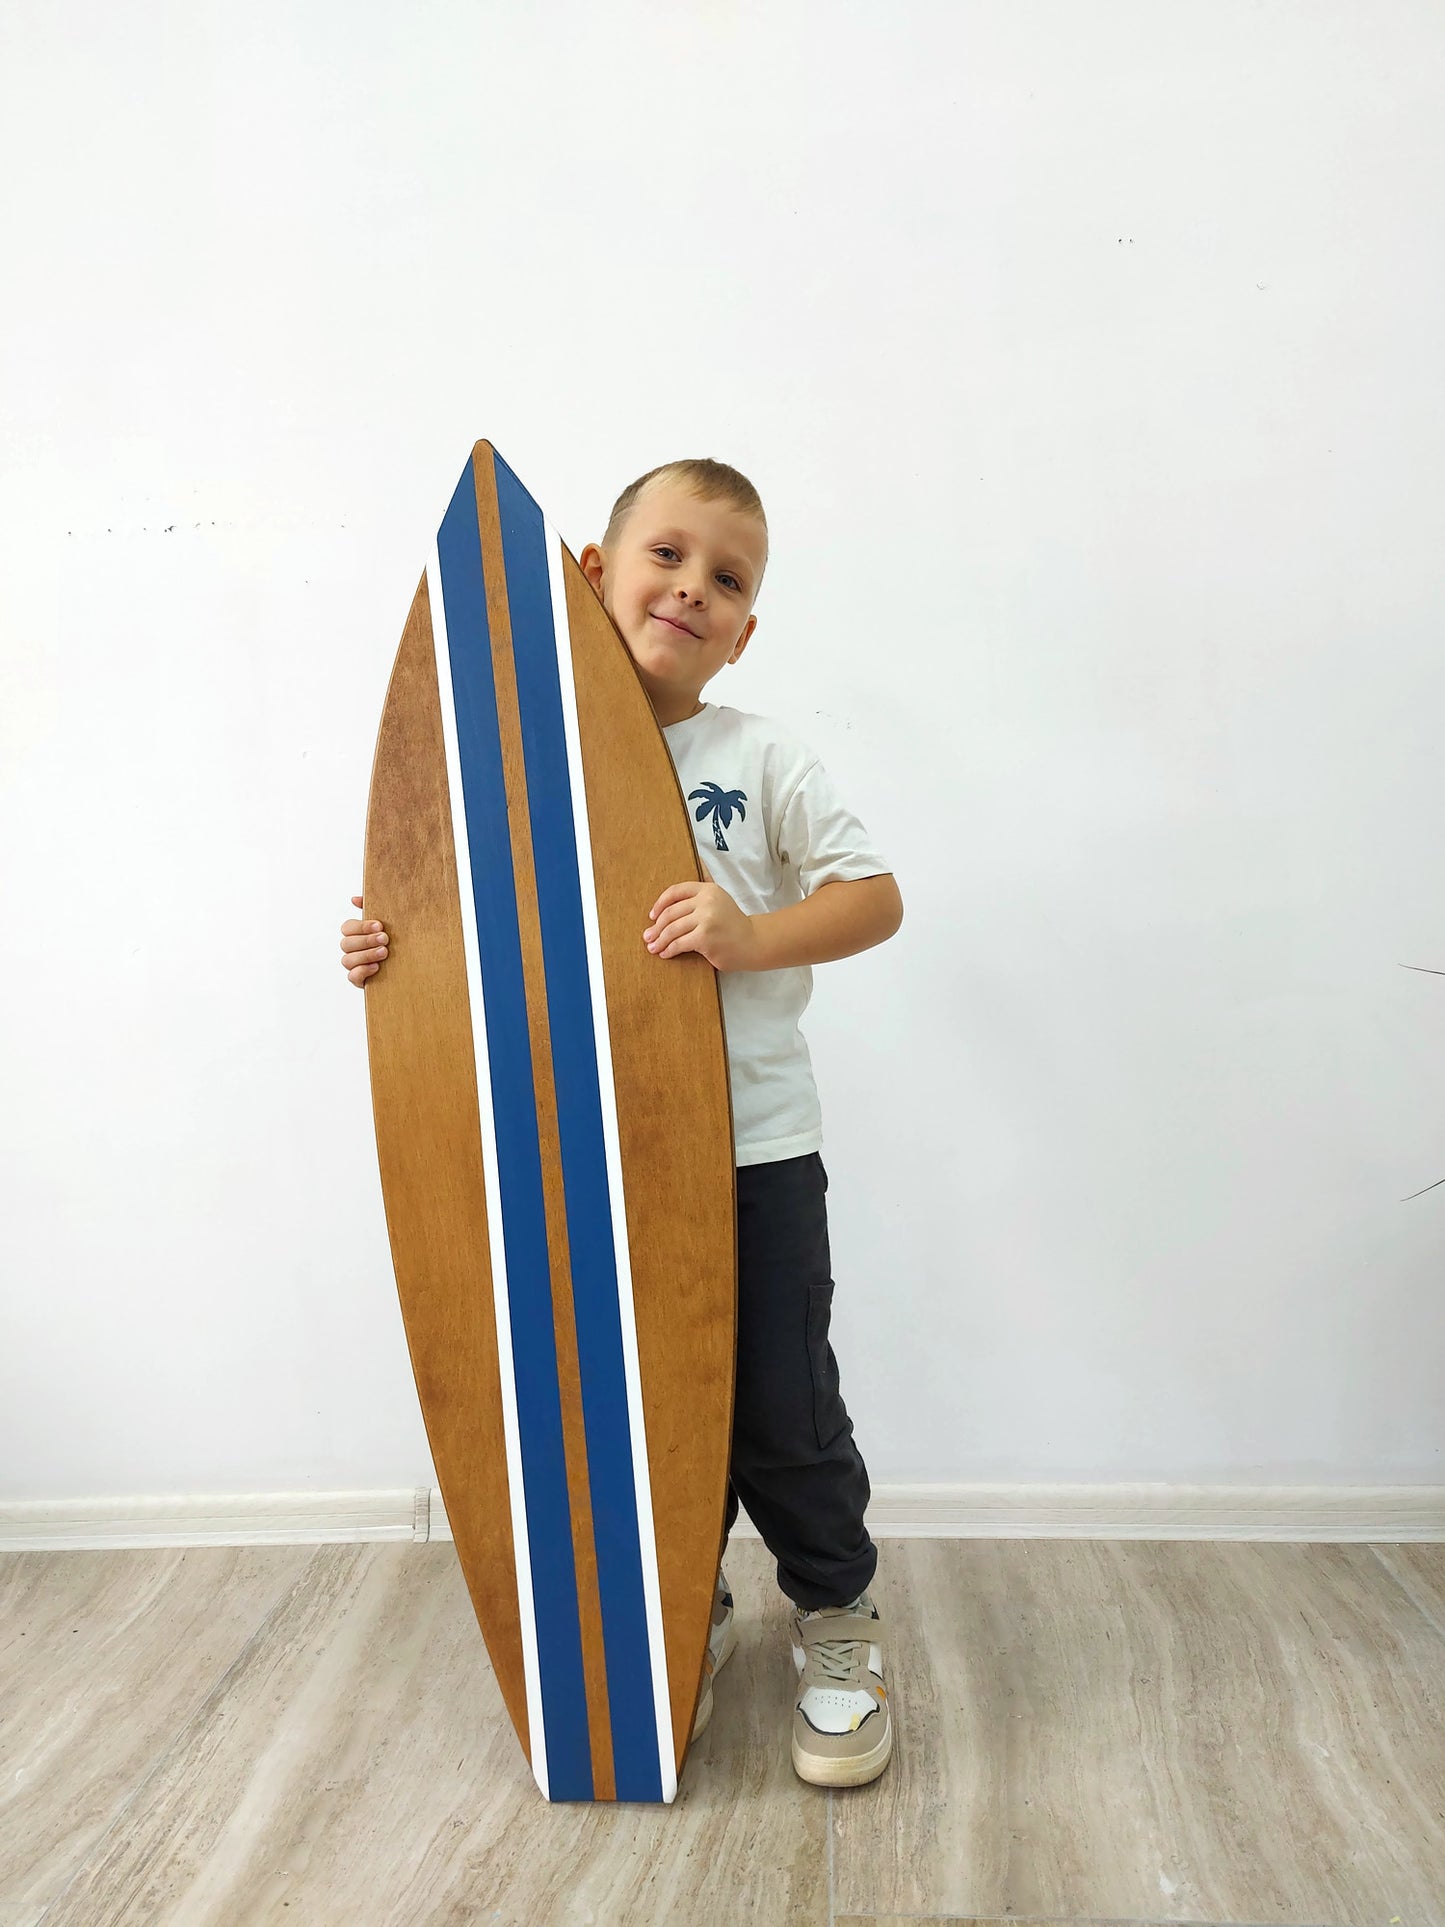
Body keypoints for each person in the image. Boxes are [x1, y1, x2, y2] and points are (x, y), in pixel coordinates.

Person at [340, 458, 903, 1788]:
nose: (692, 589)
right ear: (591, 575)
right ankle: (666, 1616)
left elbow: (873, 897)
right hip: (584, 1163)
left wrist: (750, 932)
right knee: (648, 1406)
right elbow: (468, 938)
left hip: (750, 1158)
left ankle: (836, 1620)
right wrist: (389, 948)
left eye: (727, 579)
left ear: (747, 628)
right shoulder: (509, 769)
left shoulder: (754, 754)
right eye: (666, 556)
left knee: (777, 1406)